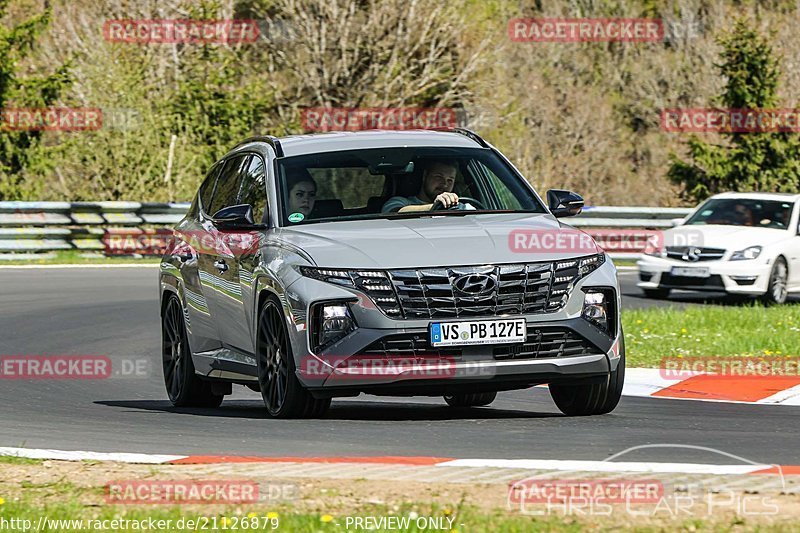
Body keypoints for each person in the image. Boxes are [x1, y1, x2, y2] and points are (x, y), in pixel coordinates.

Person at [382, 160, 464, 213]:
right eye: (438, 177)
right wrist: (436, 206)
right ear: (425, 176)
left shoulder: (460, 207)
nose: (445, 184)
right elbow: (393, 213)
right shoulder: (401, 202)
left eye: (450, 180)